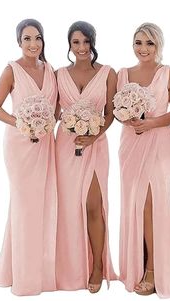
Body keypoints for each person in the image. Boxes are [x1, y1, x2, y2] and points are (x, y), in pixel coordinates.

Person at [117, 22, 170, 297]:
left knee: (151, 205)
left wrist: (152, 122)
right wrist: (129, 116)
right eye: (138, 43)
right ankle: (140, 263)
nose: (143, 49)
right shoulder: (122, 73)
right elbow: (116, 110)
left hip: (158, 144)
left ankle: (156, 270)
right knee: (135, 204)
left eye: (149, 43)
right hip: (130, 145)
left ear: (159, 45)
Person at [0, 19, 58, 295]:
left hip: (46, 144)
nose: (33, 44)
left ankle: (23, 270)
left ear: (43, 41)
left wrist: (53, 122)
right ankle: (24, 279)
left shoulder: (51, 70)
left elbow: (56, 108)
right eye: (27, 39)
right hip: (20, 147)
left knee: (41, 206)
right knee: (24, 207)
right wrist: (20, 123)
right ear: (19, 42)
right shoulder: (12, 69)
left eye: (37, 38)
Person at [55, 21, 117, 294]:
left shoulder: (108, 73)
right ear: (69, 45)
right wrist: (68, 122)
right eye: (75, 42)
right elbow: (54, 110)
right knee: (68, 209)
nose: (81, 47)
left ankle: (98, 267)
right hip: (65, 147)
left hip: (96, 146)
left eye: (86, 41)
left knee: (94, 206)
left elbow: (111, 113)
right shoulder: (58, 73)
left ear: (93, 42)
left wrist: (94, 134)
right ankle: (70, 268)